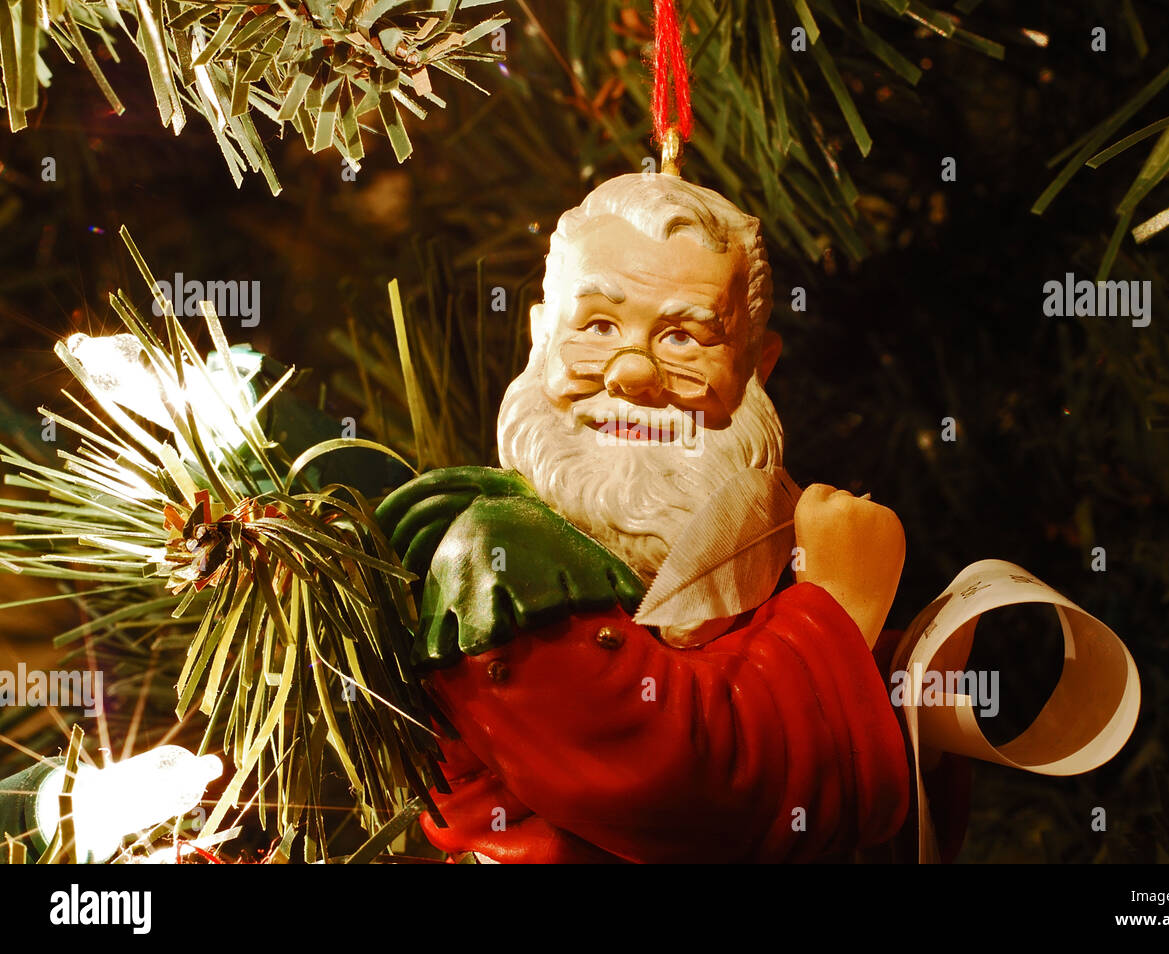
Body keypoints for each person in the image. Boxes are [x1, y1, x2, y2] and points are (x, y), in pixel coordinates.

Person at [378, 173, 968, 863]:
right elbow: (686, 790)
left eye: (685, 338)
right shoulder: (500, 564)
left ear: (756, 368)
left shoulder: (742, 540)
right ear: (541, 339)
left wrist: (908, 670)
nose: (632, 374)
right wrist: (836, 609)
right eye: (597, 326)